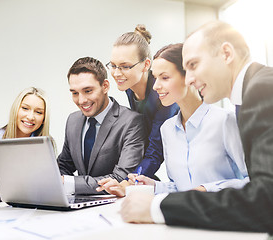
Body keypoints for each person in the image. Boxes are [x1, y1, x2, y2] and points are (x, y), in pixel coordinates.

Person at [120, 21, 273, 234]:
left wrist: (157, 208)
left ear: (226, 54)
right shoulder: (250, 94)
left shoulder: (259, 90)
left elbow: (263, 196)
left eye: (193, 65)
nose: (191, 78)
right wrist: (154, 188)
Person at [98, 43, 248, 197]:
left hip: (224, 217)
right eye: (155, 78)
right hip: (184, 217)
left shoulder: (225, 121)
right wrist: (154, 186)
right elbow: (180, 188)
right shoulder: (167, 129)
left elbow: (256, 181)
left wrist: (206, 189)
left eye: (164, 77)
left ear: (189, 76)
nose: (156, 86)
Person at [57, 56, 145, 195]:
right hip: (79, 207)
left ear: (105, 86)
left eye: (88, 91)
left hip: (115, 206)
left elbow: (120, 178)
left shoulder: (132, 121)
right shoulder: (73, 121)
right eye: (74, 93)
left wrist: (69, 184)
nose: (81, 100)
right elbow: (63, 165)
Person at [106, 24, 179, 178]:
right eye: (113, 66)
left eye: (125, 66)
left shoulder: (163, 93)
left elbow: (154, 151)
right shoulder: (128, 86)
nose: (116, 73)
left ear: (146, 65)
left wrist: (130, 180)